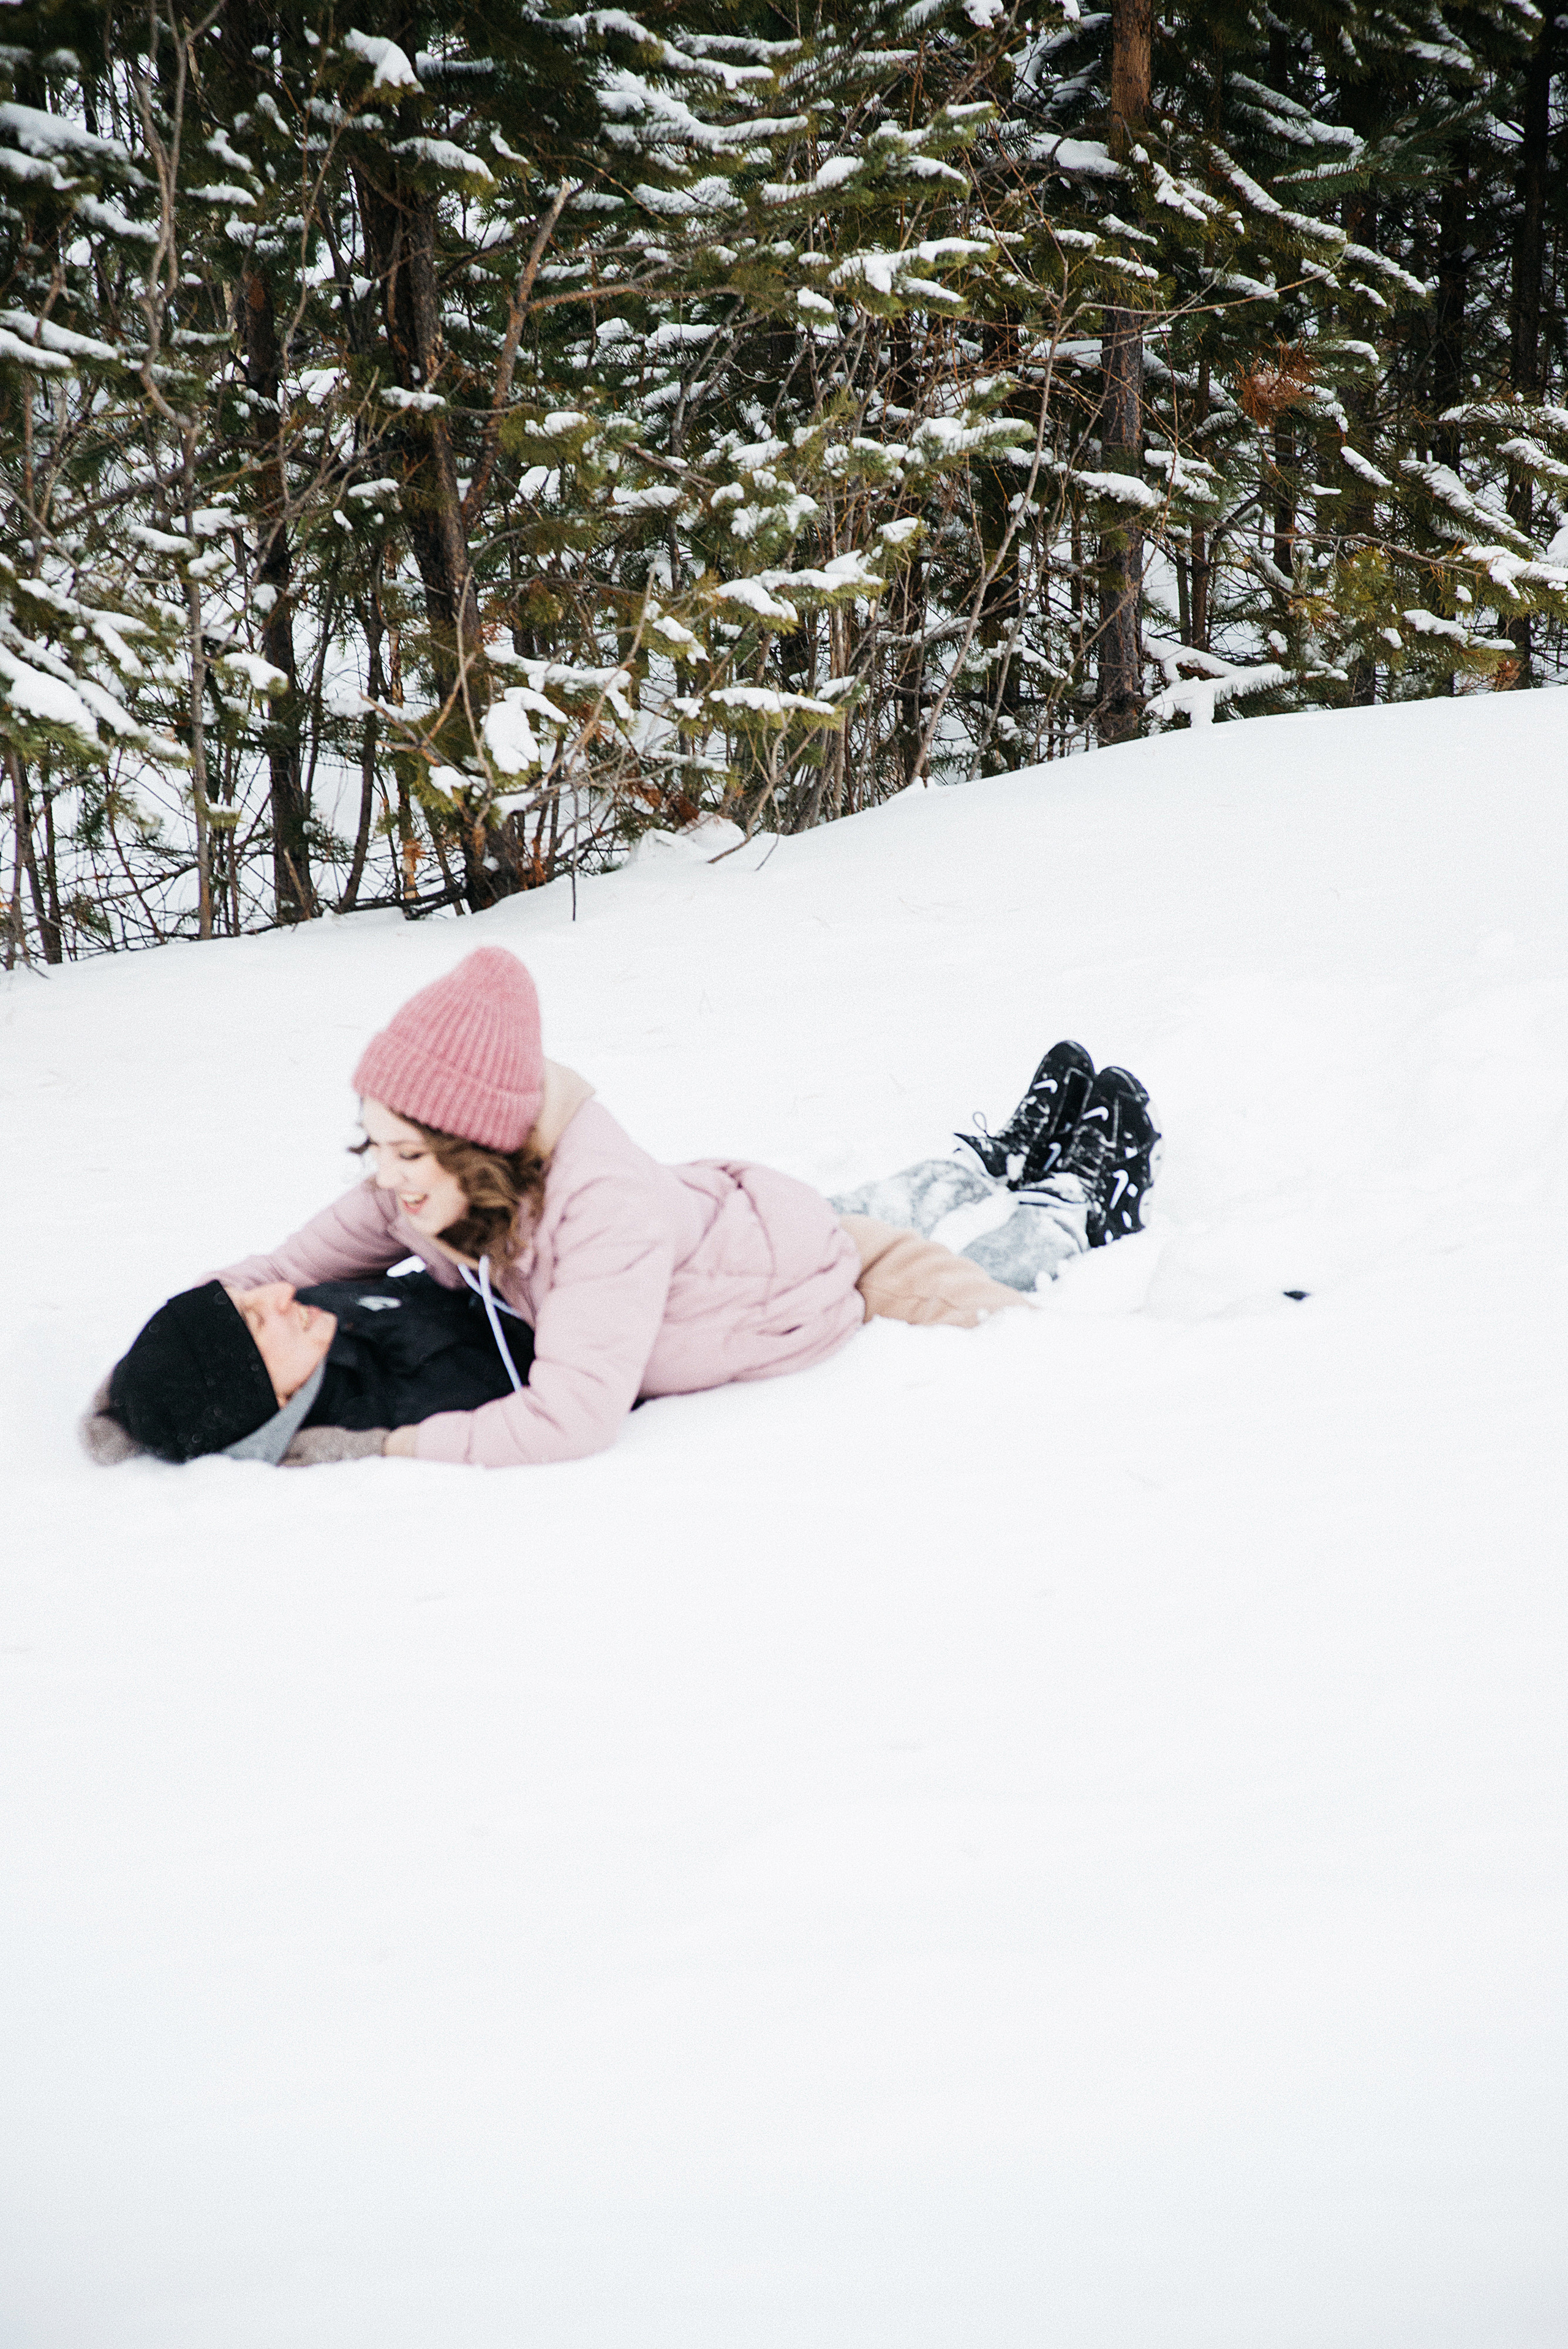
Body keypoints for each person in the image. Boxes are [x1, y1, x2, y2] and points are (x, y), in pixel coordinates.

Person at [85, 947, 1159, 1469]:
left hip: (800, 1283)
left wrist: (386, 1452)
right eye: (377, 1146)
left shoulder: (599, 1215)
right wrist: (151, 1377)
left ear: (477, 1147)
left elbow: (574, 1418)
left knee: (1001, 1294)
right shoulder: (427, 1192)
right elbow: (280, 1268)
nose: (388, 1179)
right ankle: (980, 1159)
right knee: (892, 1200)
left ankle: (1079, 1196)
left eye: (409, 1153)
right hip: (724, 1228)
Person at [81, 1269, 534, 1466]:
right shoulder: (396, 1407)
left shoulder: (309, 1329)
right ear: (268, 1396)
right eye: (257, 1321)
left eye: (247, 1297)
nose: (280, 1292)